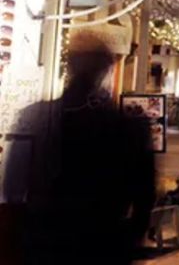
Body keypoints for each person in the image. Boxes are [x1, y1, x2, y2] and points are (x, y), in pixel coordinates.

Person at [3, 30, 156, 265]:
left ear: (69, 65)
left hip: (44, 242)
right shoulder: (130, 127)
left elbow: (12, 191)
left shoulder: (35, 116)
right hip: (104, 243)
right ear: (107, 69)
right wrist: (127, 240)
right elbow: (144, 200)